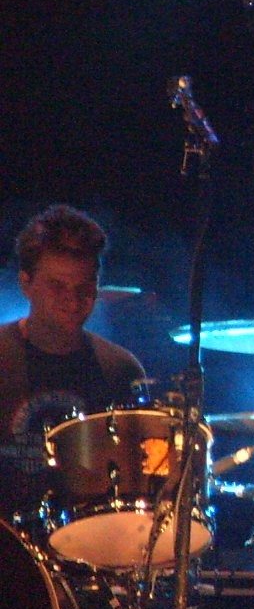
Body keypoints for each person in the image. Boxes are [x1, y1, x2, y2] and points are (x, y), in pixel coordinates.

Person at [1, 206, 145, 513]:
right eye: (57, 286)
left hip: (90, 535)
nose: (72, 299)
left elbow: (135, 486)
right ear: (26, 284)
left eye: (84, 287)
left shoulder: (120, 370)